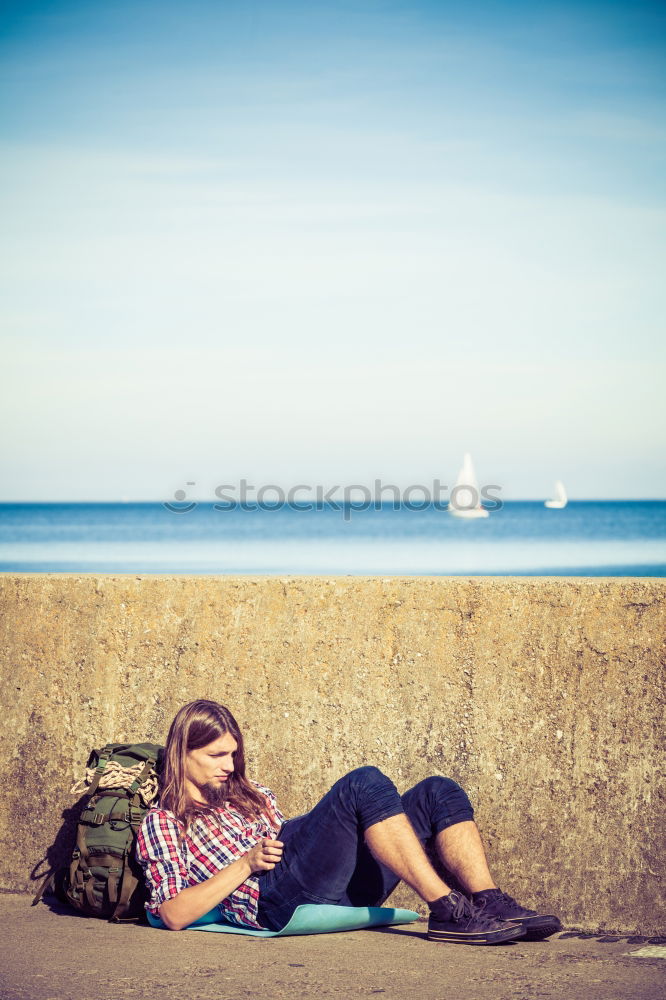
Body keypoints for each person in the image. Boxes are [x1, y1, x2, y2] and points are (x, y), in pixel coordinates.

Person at [136, 700, 561, 945]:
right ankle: (448, 910)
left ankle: (486, 900)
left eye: (233, 753)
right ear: (182, 753)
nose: (230, 765)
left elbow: (304, 844)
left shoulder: (251, 793)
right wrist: (245, 864)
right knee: (363, 783)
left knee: (437, 791)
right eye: (216, 756)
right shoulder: (165, 820)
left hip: (328, 888)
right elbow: (172, 914)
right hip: (273, 897)